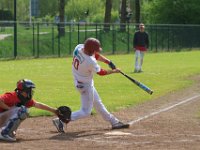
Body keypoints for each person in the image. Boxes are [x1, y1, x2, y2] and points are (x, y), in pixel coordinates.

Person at [53, 38, 130, 133]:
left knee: (98, 103)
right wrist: (114, 71)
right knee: (86, 111)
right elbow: (101, 72)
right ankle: (62, 120)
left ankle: (114, 122)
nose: (96, 52)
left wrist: (108, 62)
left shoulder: (79, 48)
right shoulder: (90, 61)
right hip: (85, 86)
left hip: (79, 81)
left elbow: (95, 55)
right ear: (90, 50)